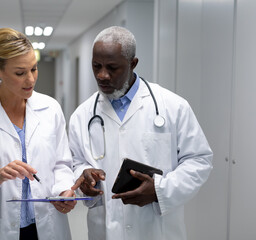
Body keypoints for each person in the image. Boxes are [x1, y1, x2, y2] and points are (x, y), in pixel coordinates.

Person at [69, 26, 213, 240]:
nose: (102, 75)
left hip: (158, 230)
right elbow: (75, 162)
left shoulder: (173, 106)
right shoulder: (82, 115)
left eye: (112, 67)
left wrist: (159, 190)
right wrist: (84, 177)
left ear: (133, 63)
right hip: (106, 230)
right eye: (96, 66)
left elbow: (199, 160)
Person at [0, 28, 76, 240]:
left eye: (34, 69)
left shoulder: (51, 108)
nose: (30, 79)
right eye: (20, 73)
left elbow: (61, 164)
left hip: (47, 224)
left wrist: (64, 190)